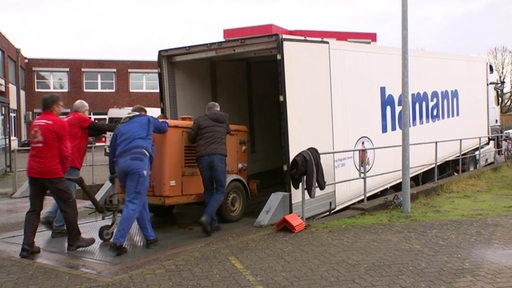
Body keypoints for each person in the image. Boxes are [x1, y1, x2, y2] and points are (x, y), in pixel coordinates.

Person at [20, 94, 95, 259]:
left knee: (34, 209)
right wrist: (62, 171)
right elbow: (66, 152)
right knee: (69, 203)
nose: (61, 109)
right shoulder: (58, 123)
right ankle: (75, 240)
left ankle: (27, 246)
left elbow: (35, 145)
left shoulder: (36, 123)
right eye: (60, 106)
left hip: (34, 171)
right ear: (54, 107)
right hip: (52, 171)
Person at [40, 100, 117, 238]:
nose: (88, 115)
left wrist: (103, 132)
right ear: (84, 111)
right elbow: (98, 126)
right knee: (69, 197)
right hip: (71, 162)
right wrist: (120, 126)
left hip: (62, 162)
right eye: (87, 112)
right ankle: (58, 226)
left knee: (62, 193)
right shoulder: (79, 118)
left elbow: (90, 132)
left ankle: (50, 216)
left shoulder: (69, 119)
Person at [108, 105, 169, 256]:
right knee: (133, 202)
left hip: (121, 165)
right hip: (138, 162)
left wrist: (112, 173)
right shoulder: (146, 120)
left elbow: (112, 152)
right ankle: (117, 241)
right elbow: (163, 128)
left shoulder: (120, 126)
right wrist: (165, 122)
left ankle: (150, 237)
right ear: (142, 113)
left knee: (140, 201)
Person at [188, 101, 230, 236]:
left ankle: (213, 223)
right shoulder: (224, 119)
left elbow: (191, 138)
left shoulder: (199, 120)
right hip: (218, 157)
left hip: (203, 158)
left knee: (208, 189)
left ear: (207, 110)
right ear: (218, 110)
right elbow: (228, 131)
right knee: (220, 189)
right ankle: (207, 217)